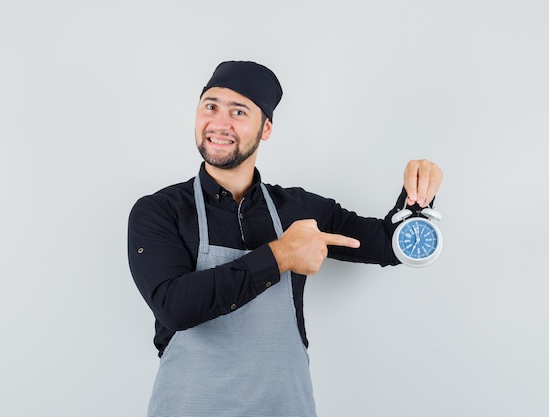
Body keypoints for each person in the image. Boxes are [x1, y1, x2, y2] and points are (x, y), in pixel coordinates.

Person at [127, 60, 443, 417]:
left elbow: (389, 243)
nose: (219, 122)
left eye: (239, 111)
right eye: (210, 106)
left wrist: (417, 198)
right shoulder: (159, 211)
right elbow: (175, 306)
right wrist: (279, 256)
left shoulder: (298, 210)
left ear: (265, 129)